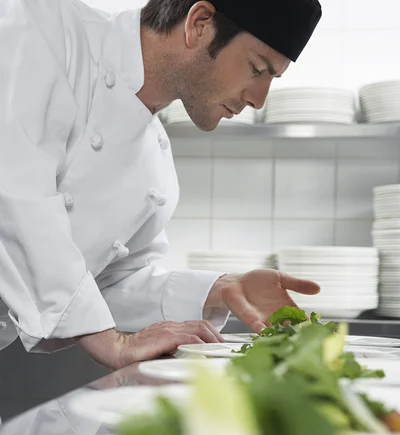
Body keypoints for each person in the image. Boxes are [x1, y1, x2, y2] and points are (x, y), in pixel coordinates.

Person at [0, 0, 322, 371]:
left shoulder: (156, 172)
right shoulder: (42, 27)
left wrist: (219, 289)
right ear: (199, 23)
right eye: (256, 68)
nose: (258, 98)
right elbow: (14, 192)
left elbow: (107, 285)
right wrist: (111, 342)